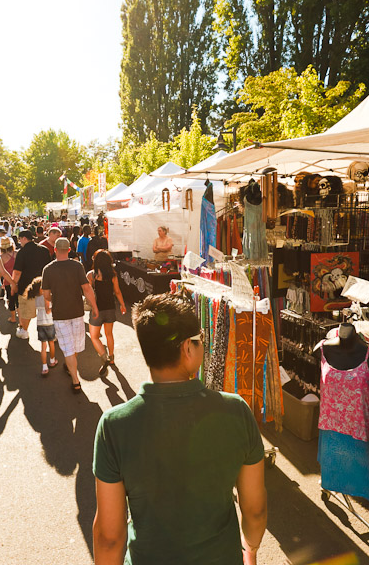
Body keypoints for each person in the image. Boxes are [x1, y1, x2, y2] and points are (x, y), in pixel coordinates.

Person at [92, 294, 267, 565]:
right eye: (200, 341)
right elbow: (254, 510)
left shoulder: (114, 425)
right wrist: (250, 549)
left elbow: (109, 536)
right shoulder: (236, 411)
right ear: (187, 348)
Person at [41, 237, 99, 393]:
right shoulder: (77, 266)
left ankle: (73, 373)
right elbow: (87, 289)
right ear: (68, 250)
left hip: (60, 314)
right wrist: (94, 307)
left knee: (68, 349)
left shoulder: (48, 269)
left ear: (54, 250)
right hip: (77, 312)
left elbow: (46, 295)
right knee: (74, 348)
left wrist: (55, 298)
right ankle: (75, 379)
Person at [87, 251, 126, 378]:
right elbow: (118, 291)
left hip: (96, 309)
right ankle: (112, 357)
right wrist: (122, 305)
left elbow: (88, 292)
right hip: (110, 308)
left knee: (94, 337)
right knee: (109, 334)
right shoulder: (113, 275)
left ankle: (104, 357)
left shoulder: (91, 275)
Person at [11, 229, 52, 340]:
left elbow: (17, 272)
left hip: (26, 286)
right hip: (43, 285)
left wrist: (13, 285)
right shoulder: (44, 250)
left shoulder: (22, 252)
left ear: (24, 238)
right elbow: (48, 267)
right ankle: (51, 333)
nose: (20, 242)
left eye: (20, 239)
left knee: (26, 311)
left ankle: (24, 331)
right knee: (46, 311)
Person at [24, 277, 57, 376]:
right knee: (51, 343)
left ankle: (44, 367)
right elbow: (48, 310)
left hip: (40, 324)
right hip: (49, 323)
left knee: (43, 346)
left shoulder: (36, 298)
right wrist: (54, 307)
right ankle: (52, 360)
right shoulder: (46, 297)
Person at [0, 238, 18, 324]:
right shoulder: (17, 253)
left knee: (11, 299)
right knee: (19, 299)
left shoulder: (1, 257)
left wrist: (0, 282)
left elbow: (0, 272)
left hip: (8, 281)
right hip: (18, 279)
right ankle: (20, 318)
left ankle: (13, 317)